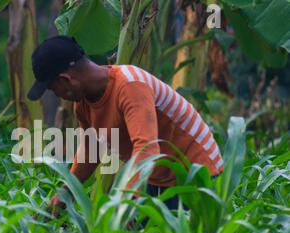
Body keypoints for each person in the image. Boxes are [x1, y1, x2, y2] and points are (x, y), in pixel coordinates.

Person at [27, 35, 224, 214]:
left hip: (197, 174)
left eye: (54, 90)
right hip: (156, 176)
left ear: (66, 80)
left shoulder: (130, 86)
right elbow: (91, 149)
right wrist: (66, 192)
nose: (57, 95)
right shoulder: (83, 103)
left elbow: (147, 149)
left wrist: (127, 202)